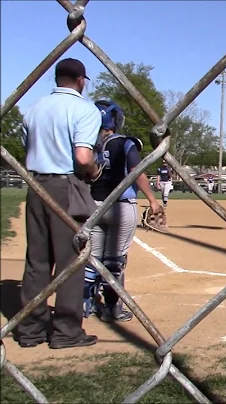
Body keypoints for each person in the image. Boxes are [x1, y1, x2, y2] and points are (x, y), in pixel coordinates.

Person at [15, 58, 102, 349]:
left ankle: (29, 330)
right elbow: (82, 157)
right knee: (71, 261)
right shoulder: (84, 109)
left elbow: (29, 149)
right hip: (66, 186)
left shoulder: (33, 109)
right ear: (81, 81)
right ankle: (65, 331)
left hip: (36, 185)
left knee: (36, 261)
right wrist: (93, 172)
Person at [82, 100, 163, 322]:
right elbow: (137, 172)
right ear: (114, 120)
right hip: (121, 207)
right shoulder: (126, 143)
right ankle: (111, 309)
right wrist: (153, 200)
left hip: (95, 205)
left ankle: (84, 305)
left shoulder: (89, 144)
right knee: (114, 261)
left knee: (93, 258)